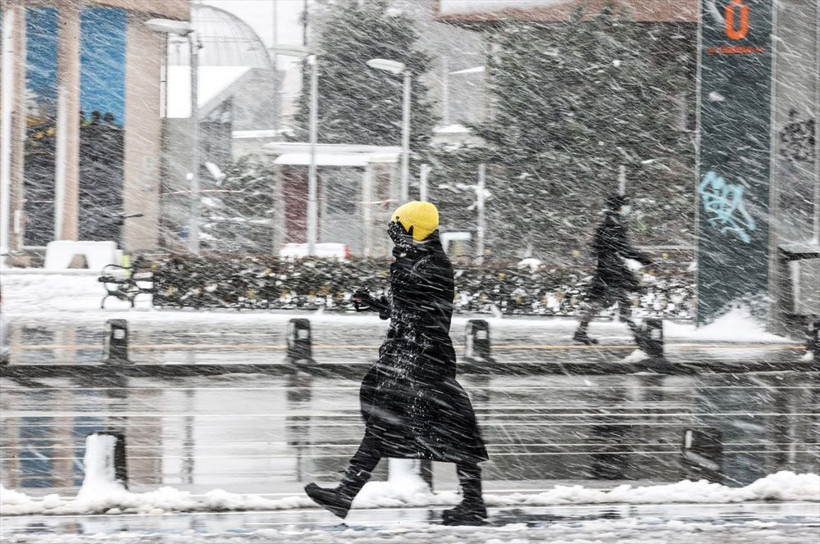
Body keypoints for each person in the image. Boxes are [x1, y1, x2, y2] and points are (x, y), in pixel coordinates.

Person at [304, 201, 489, 525]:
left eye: (398, 228)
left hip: (420, 355)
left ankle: (346, 494)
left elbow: (422, 309)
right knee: (429, 425)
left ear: (412, 230)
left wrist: (395, 311)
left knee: (423, 424)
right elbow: (413, 305)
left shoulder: (426, 263)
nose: (393, 235)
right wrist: (380, 303)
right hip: (416, 354)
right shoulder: (420, 260)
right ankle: (345, 494)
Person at [573, 193, 652, 345]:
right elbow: (624, 249)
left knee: (603, 300)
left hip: (605, 266)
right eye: (624, 205)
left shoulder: (606, 224)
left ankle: (581, 331)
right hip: (612, 268)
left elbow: (597, 247)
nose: (626, 208)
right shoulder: (615, 225)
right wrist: (645, 260)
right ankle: (637, 334)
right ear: (620, 207)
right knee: (618, 298)